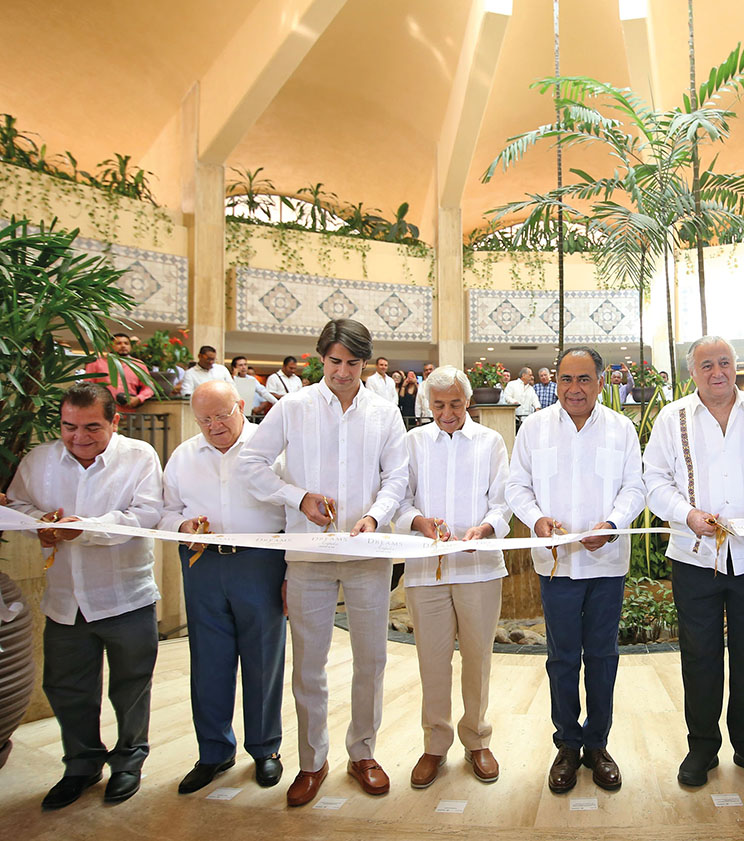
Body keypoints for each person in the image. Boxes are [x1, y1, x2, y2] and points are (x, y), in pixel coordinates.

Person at [239, 318, 408, 807]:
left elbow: (398, 476)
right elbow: (251, 464)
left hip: (367, 554)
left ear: (366, 363)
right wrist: (298, 498)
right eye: (335, 361)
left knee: (371, 660)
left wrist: (375, 517)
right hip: (308, 556)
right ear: (321, 359)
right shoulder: (293, 407)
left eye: (353, 363)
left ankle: (363, 754)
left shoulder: (384, 412)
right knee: (309, 665)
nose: (343, 372)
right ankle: (312, 761)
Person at [644, 335, 744, 789]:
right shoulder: (672, 418)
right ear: (692, 373)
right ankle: (702, 747)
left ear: (736, 365)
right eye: (707, 365)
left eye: (724, 362)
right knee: (699, 657)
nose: (717, 372)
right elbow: (654, 479)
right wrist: (686, 514)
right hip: (694, 558)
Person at [5, 383, 163, 809]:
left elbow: (146, 515)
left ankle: (129, 761)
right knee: (66, 688)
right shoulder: (38, 460)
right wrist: (40, 523)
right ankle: (81, 764)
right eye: (68, 427)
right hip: (65, 602)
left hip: (126, 597)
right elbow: (17, 504)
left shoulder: (140, 457)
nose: (78, 437)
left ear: (115, 421)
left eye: (92, 427)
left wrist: (86, 529)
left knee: (131, 687)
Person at [507, 347, 645, 794]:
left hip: (606, 563)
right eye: (566, 379)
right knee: (562, 658)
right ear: (556, 382)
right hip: (557, 566)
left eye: (584, 379)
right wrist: (536, 520)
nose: (575, 388)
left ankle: (597, 745)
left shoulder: (621, 429)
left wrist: (613, 524)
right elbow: (517, 486)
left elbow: (635, 487)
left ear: (601, 382)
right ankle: (567, 744)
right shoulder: (534, 428)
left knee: (602, 657)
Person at [160, 381, 288, 794]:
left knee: (264, 658)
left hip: (261, 562)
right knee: (208, 660)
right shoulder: (183, 456)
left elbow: (293, 512)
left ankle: (265, 749)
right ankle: (213, 751)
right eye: (204, 419)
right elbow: (165, 512)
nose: (214, 426)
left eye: (222, 415)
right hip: (203, 564)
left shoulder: (272, 449)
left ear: (241, 406)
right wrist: (182, 526)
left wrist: (291, 573)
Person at [396, 366, 511, 789]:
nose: (447, 413)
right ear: (428, 404)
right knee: (432, 660)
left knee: (478, 657)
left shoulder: (490, 442)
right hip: (426, 570)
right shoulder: (412, 442)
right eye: (439, 405)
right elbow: (400, 499)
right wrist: (418, 521)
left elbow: (503, 501)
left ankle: (477, 739)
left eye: (455, 404)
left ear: (468, 402)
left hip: (478, 568)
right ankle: (435, 744)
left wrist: (486, 528)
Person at [83, 332, 153, 413]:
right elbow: (87, 386)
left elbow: (149, 387)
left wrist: (139, 398)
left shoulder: (138, 365)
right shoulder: (96, 363)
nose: (123, 346)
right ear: (110, 346)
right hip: (102, 411)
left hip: (128, 413)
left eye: (126, 343)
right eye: (118, 343)